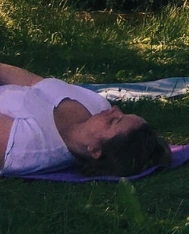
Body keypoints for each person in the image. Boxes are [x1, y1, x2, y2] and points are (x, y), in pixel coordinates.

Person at [0, 62, 171, 177]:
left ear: (95, 150)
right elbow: (33, 81)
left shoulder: (26, 147)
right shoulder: (98, 105)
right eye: (123, 113)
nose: (114, 110)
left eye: (114, 121)